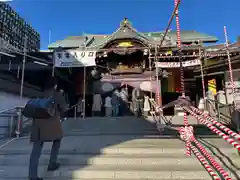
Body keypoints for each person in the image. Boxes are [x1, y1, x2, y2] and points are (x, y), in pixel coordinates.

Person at [28, 78, 68, 180]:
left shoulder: (40, 93)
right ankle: (52, 163)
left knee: (36, 151)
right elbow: (64, 108)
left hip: (37, 125)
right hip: (51, 124)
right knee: (57, 140)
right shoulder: (56, 94)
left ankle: (32, 176)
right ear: (55, 85)